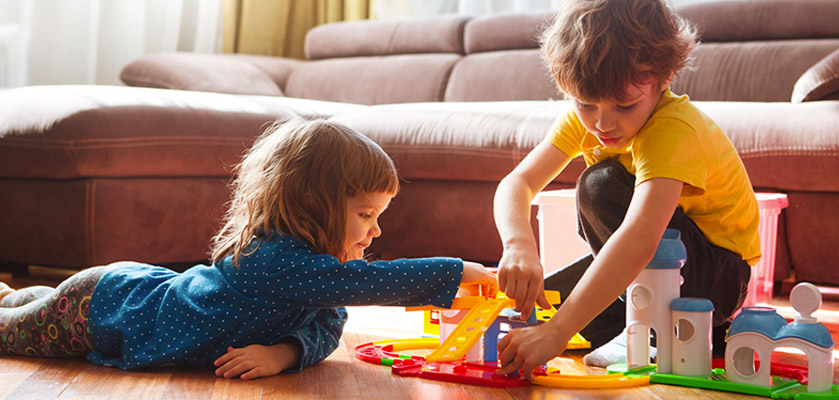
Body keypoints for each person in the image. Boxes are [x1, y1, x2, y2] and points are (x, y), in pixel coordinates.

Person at [0, 118, 497, 380]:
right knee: (11, 336)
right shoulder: (275, 260)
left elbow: (330, 320)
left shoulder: (318, 275)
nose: (376, 231)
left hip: (128, 289)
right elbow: (369, 284)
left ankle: (14, 295)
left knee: (32, 305)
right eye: (366, 215)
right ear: (313, 205)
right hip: (103, 307)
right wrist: (467, 270)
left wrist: (284, 353)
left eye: (378, 217)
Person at [494, 0, 760, 378]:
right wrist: (519, 244)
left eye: (625, 105)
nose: (603, 123)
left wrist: (555, 335)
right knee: (547, 303)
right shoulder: (589, 118)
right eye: (585, 103)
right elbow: (517, 183)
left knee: (599, 184)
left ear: (663, 78)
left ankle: (658, 330)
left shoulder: (673, 129)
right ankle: (691, 336)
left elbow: (639, 237)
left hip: (715, 276)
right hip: (654, 267)